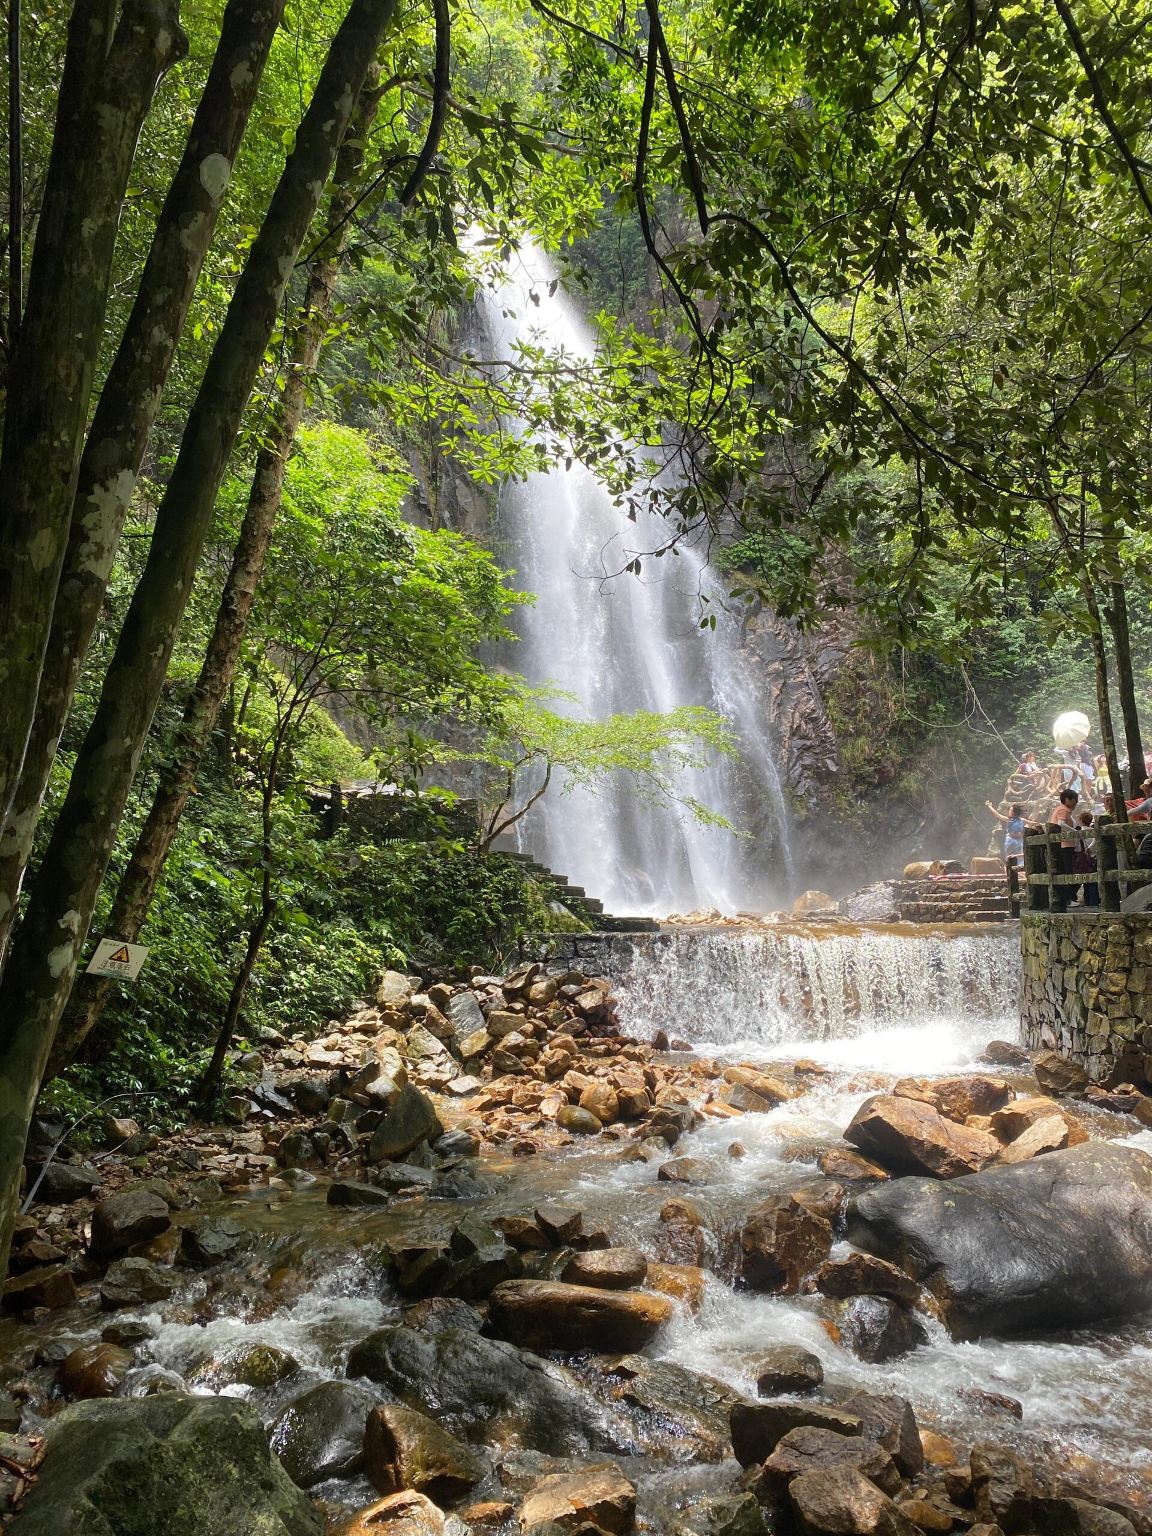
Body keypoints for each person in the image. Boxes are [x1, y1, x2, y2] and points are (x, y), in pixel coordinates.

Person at [1051, 788, 1080, 910]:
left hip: (1066, 845)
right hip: (1064, 845)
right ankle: (1068, 899)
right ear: (1067, 799)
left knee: (1068, 871)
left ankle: (1069, 898)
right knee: (1067, 871)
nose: (1075, 802)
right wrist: (1075, 833)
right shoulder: (1063, 809)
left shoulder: (1064, 810)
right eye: (1074, 800)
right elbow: (1061, 824)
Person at [986, 800, 1027, 866]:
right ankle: (1010, 869)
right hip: (1010, 840)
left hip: (1019, 841)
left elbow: (1032, 823)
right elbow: (997, 814)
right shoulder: (1008, 820)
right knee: (1010, 856)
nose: (1009, 811)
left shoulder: (1021, 820)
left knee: (1021, 856)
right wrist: (990, 806)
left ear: (1014, 812)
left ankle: (1021, 869)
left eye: (1010, 810)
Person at [1073, 810, 1099, 907]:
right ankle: (1093, 904)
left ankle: (1088, 903)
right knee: (1092, 883)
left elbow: (1076, 846)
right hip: (1093, 859)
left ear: (1080, 820)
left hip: (1083, 859)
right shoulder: (1094, 831)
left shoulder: (1079, 832)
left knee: (1086, 882)